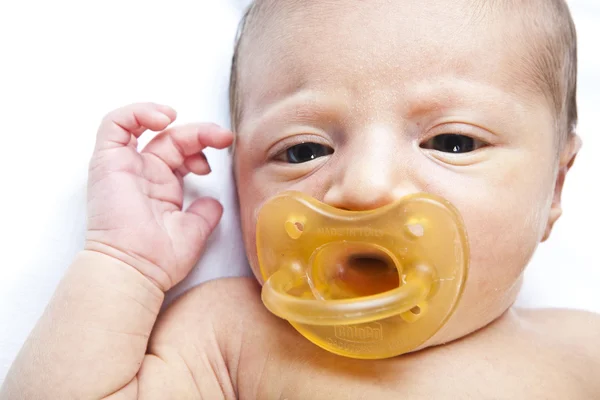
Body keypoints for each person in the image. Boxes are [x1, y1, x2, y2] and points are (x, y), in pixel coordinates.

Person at [2, 0, 599, 398]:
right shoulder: (232, 336)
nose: (364, 187)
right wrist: (122, 265)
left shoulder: (582, 349)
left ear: (554, 186)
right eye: (303, 151)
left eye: (452, 141)